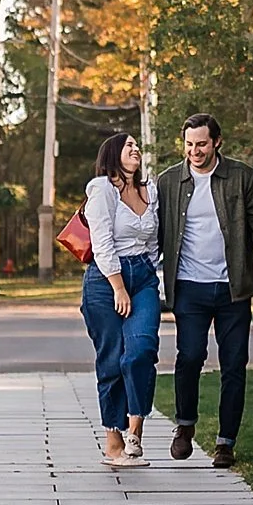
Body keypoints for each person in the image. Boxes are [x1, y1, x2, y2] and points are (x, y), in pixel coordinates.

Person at [158, 112, 253, 468]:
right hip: (189, 287)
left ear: (217, 142)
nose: (194, 151)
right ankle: (184, 426)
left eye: (201, 144)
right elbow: (150, 227)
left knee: (233, 365)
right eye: (189, 145)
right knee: (190, 356)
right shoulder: (169, 182)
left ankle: (226, 442)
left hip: (234, 287)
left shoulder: (241, 177)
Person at [80, 132, 161, 468]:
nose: (136, 149)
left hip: (142, 276)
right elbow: (101, 243)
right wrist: (118, 287)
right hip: (104, 281)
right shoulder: (101, 190)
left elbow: (156, 241)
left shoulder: (150, 190)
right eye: (128, 146)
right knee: (112, 358)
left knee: (142, 350)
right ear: (113, 154)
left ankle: (136, 428)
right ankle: (113, 439)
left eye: (136, 145)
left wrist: (154, 277)